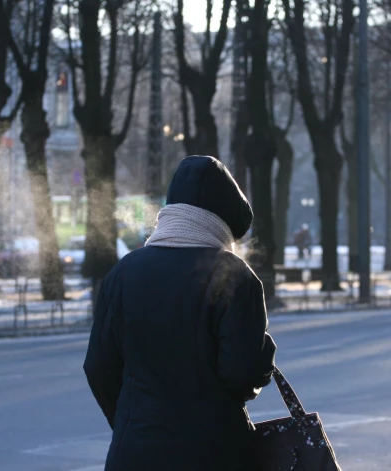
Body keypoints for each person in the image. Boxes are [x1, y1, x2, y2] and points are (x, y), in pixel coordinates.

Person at [84, 156, 277, 471]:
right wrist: (264, 350)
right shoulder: (235, 276)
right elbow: (242, 372)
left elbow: (98, 367)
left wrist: (132, 423)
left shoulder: (123, 273)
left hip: (134, 453)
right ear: (224, 221)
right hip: (215, 453)